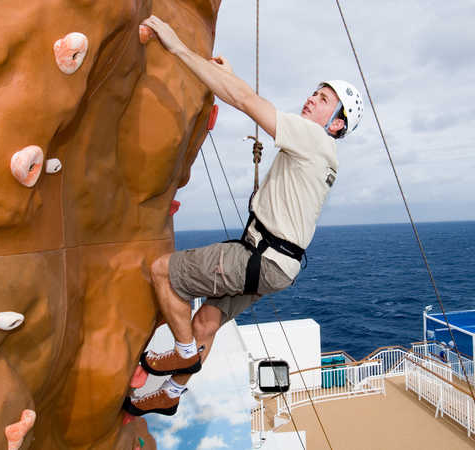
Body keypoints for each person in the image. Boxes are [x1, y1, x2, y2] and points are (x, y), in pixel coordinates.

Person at [123, 15, 364, 416]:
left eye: (323, 99)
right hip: (277, 267)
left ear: (336, 124)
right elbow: (248, 97)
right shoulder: (323, 155)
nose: (311, 98)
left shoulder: (313, 138)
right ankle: (172, 392)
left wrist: (176, 47)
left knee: (163, 272)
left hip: (259, 258)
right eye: (314, 92)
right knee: (207, 321)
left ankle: (183, 353)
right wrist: (232, 77)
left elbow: (245, 102)